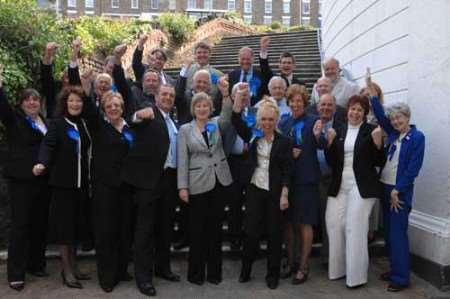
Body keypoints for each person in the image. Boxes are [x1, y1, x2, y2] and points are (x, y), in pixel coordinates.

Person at [86, 45, 138, 293]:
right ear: (104, 109)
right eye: (110, 106)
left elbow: (126, 91)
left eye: (117, 105)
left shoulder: (128, 128)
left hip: (125, 188)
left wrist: (118, 64)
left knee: (123, 231)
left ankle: (120, 270)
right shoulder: (99, 126)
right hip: (105, 189)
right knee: (106, 233)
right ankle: (107, 277)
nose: (114, 108)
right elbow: (87, 106)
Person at [33, 85, 93, 289]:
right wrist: (42, 162)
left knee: (76, 228)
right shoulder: (58, 124)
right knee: (65, 229)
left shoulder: (84, 124)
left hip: (81, 186)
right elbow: (47, 145)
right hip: (63, 186)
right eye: (72, 101)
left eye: (79, 101)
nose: (76, 104)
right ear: (65, 103)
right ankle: (66, 271)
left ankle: (74, 268)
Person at [368, 84, 425, 292]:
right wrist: (373, 97)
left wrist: (398, 189)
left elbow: (413, 169)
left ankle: (401, 278)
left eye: (398, 118)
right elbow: (381, 118)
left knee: (398, 234)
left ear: (407, 117)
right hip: (385, 185)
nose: (395, 121)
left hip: (397, 191)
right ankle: (394, 269)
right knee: (389, 233)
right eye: (393, 119)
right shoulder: (393, 134)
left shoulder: (417, 138)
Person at [324, 95, 385, 288]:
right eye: (352, 108)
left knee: (354, 227)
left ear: (365, 113)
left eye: (359, 110)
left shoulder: (371, 131)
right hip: (340, 185)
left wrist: (378, 145)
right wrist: (330, 143)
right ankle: (338, 269)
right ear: (347, 110)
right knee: (333, 223)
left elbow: (379, 161)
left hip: (362, 186)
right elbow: (332, 162)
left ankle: (356, 277)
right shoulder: (339, 130)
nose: (355, 113)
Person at [232, 93, 292, 290]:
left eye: (271, 120)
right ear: (259, 120)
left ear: (276, 120)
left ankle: (272, 274)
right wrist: (238, 103)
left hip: (275, 192)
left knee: (275, 234)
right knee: (251, 232)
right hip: (255, 189)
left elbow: (287, 170)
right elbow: (235, 120)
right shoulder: (254, 136)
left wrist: (284, 193)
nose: (267, 123)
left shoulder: (284, 141)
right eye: (264, 119)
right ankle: (246, 270)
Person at [0, 64, 51, 291]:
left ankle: (36, 264)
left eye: (35, 100)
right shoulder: (15, 119)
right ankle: (16, 273)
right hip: (22, 180)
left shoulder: (44, 121)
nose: (32, 103)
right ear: (21, 103)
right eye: (28, 100)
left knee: (39, 223)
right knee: (20, 226)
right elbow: (2, 109)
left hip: (43, 180)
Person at [177, 81, 233, 286]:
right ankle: (196, 274)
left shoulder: (216, 123)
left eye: (205, 106)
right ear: (193, 109)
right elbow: (182, 159)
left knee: (215, 230)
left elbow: (228, 114)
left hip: (219, 181)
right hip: (196, 184)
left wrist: (226, 94)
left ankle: (214, 274)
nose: (202, 109)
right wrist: (182, 186)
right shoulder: (185, 129)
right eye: (198, 106)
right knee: (197, 230)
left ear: (211, 108)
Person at [278, 84, 325, 284]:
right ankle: (291, 262)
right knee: (289, 224)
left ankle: (304, 266)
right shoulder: (284, 122)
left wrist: (317, 136)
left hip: (307, 179)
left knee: (305, 223)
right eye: (292, 101)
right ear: (288, 103)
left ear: (305, 102)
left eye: (299, 101)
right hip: (288, 181)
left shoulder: (314, 121)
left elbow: (322, 143)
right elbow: (279, 151)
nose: (296, 104)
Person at [312, 93, 346, 264]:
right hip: (311, 177)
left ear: (335, 108)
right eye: (322, 105)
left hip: (331, 179)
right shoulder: (311, 123)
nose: (325, 108)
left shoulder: (342, 127)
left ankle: (330, 259)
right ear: (318, 107)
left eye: (329, 105)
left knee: (330, 220)